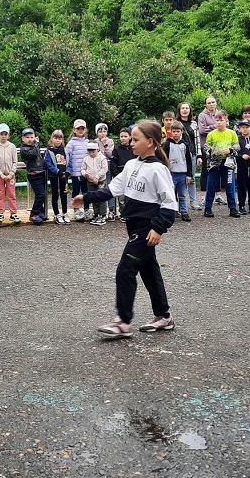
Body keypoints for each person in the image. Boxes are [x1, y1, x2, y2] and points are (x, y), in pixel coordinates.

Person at [72, 120, 177, 337]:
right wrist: (86, 197)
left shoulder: (158, 169)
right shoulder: (131, 165)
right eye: (131, 138)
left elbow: (169, 204)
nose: (131, 143)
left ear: (150, 142)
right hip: (132, 225)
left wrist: (158, 229)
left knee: (125, 269)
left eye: (136, 139)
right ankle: (164, 316)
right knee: (149, 270)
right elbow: (112, 189)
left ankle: (123, 322)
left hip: (146, 228)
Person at [202, 110, 240, 218]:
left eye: (221, 120)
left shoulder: (232, 133)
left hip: (227, 163)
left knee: (230, 186)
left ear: (226, 121)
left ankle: (232, 208)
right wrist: (213, 151)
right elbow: (206, 147)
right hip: (215, 164)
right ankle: (208, 208)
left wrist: (231, 150)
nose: (219, 122)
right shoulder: (211, 134)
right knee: (211, 185)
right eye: (217, 120)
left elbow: (237, 146)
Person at [162, 121, 193, 221]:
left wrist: (189, 175)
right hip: (171, 173)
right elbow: (164, 158)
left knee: (183, 194)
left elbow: (189, 161)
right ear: (171, 131)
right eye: (174, 131)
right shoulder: (167, 144)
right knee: (171, 194)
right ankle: (173, 211)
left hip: (183, 173)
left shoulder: (185, 145)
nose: (175, 133)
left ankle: (184, 211)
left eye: (178, 131)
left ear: (182, 132)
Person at [0, 123, 21, 223]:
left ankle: (13, 213)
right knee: (0, 194)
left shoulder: (12, 146)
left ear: (8, 135)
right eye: (1, 134)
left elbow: (15, 161)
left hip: (10, 175)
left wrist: (11, 173)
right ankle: (0, 213)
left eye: (5, 134)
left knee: (11, 194)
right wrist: (1, 174)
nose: (3, 136)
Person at [176, 102, 201, 210]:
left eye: (187, 108)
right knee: (178, 179)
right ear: (179, 110)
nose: (185, 110)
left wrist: (199, 155)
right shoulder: (176, 123)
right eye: (183, 108)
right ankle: (178, 203)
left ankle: (193, 201)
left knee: (191, 178)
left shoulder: (194, 124)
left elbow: (197, 140)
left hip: (192, 154)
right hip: (179, 156)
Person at [20, 127, 47, 223]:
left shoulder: (36, 146)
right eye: (27, 137)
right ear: (23, 138)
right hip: (34, 175)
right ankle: (33, 214)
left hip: (41, 173)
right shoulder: (24, 149)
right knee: (41, 195)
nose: (30, 139)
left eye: (32, 137)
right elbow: (34, 154)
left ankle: (40, 211)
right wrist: (36, 143)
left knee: (41, 195)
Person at [66, 119, 90, 221]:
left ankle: (87, 209)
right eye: (78, 128)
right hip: (75, 173)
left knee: (86, 191)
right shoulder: (71, 143)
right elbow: (67, 157)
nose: (80, 130)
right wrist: (67, 170)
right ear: (74, 130)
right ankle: (76, 210)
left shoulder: (88, 142)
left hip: (86, 173)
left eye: (82, 128)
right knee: (76, 191)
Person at [45, 129, 69, 225]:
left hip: (64, 176)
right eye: (55, 138)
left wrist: (67, 172)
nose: (57, 140)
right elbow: (48, 163)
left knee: (64, 194)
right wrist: (57, 171)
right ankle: (57, 214)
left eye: (59, 138)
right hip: (54, 176)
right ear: (52, 139)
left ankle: (65, 212)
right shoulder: (49, 151)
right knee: (55, 194)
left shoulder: (65, 150)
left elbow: (69, 162)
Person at [111, 126, 135, 220]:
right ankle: (123, 213)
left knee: (131, 196)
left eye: (125, 136)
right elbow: (113, 164)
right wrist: (116, 174)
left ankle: (130, 213)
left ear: (130, 137)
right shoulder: (117, 150)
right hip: (121, 175)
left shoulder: (133, 149)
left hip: (132, 176)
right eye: (121, 136)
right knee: (121, 197)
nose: (123, 138)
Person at [82, 140, 109, 225]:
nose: (91, 154)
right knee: (93, 197)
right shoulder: (86, 159)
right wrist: (84, 174)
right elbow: (82, 168)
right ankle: (96, 213)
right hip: (90, 180)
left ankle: (103, 215)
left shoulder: (102, 158)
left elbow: (104, 169)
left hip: (101, 180)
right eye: (89, 152)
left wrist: (97, 177)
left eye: (93, 151)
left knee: (101, 197)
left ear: (97, 150)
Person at [95, 123, 117, 220]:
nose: (103, 133)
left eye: (104, 131)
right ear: (97, 133)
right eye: (100, 131)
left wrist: (105, 144)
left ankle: (111, 210)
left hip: (108, 166)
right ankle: (100, 211)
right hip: (98, 168)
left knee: (109, 187)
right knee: (99, 188)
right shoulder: (95, 142)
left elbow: (110, 154)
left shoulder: (110, 141)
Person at [197, 96, 218, 193]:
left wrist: (210, 127)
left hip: (218, 147)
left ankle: (218, 194)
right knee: (205, 170)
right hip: (206, 147)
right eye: (209, 103)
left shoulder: (220, 113)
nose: (211, 104)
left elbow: (225, 126)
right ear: (206, 104)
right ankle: (203, 194)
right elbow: (202, 130)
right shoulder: (202, 115)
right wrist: (216, 127)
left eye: (213, 102)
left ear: (216, 103)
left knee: (217, 170)